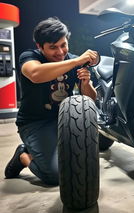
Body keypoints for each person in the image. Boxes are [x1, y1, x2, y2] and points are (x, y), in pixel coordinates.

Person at [4, 17, 98, 185]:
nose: (61, 52)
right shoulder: (29, 57)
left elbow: (90, 99)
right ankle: (23, 156)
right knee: (55, 176)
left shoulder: (72, 60)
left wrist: (85, 84)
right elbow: (36, 74)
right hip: (34, 123)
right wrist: (76, 61)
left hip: (64, 121)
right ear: (40, 47)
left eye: (63, 45)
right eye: (53, 47)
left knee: (83, 161)